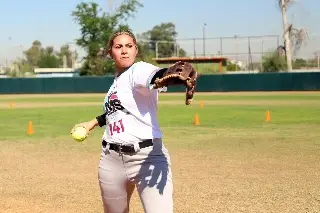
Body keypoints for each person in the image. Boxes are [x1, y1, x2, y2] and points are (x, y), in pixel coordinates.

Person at [71, 30, 196, 213]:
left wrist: (168, 73)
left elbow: (157, 76)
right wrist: (92, 123)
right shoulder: (116, 84)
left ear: (136, 50)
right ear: (110, 53)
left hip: (147, 157)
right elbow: (116, 112)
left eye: (129, 46)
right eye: (118, 47)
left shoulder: (138, 70)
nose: (124, 51)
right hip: (111, 160)